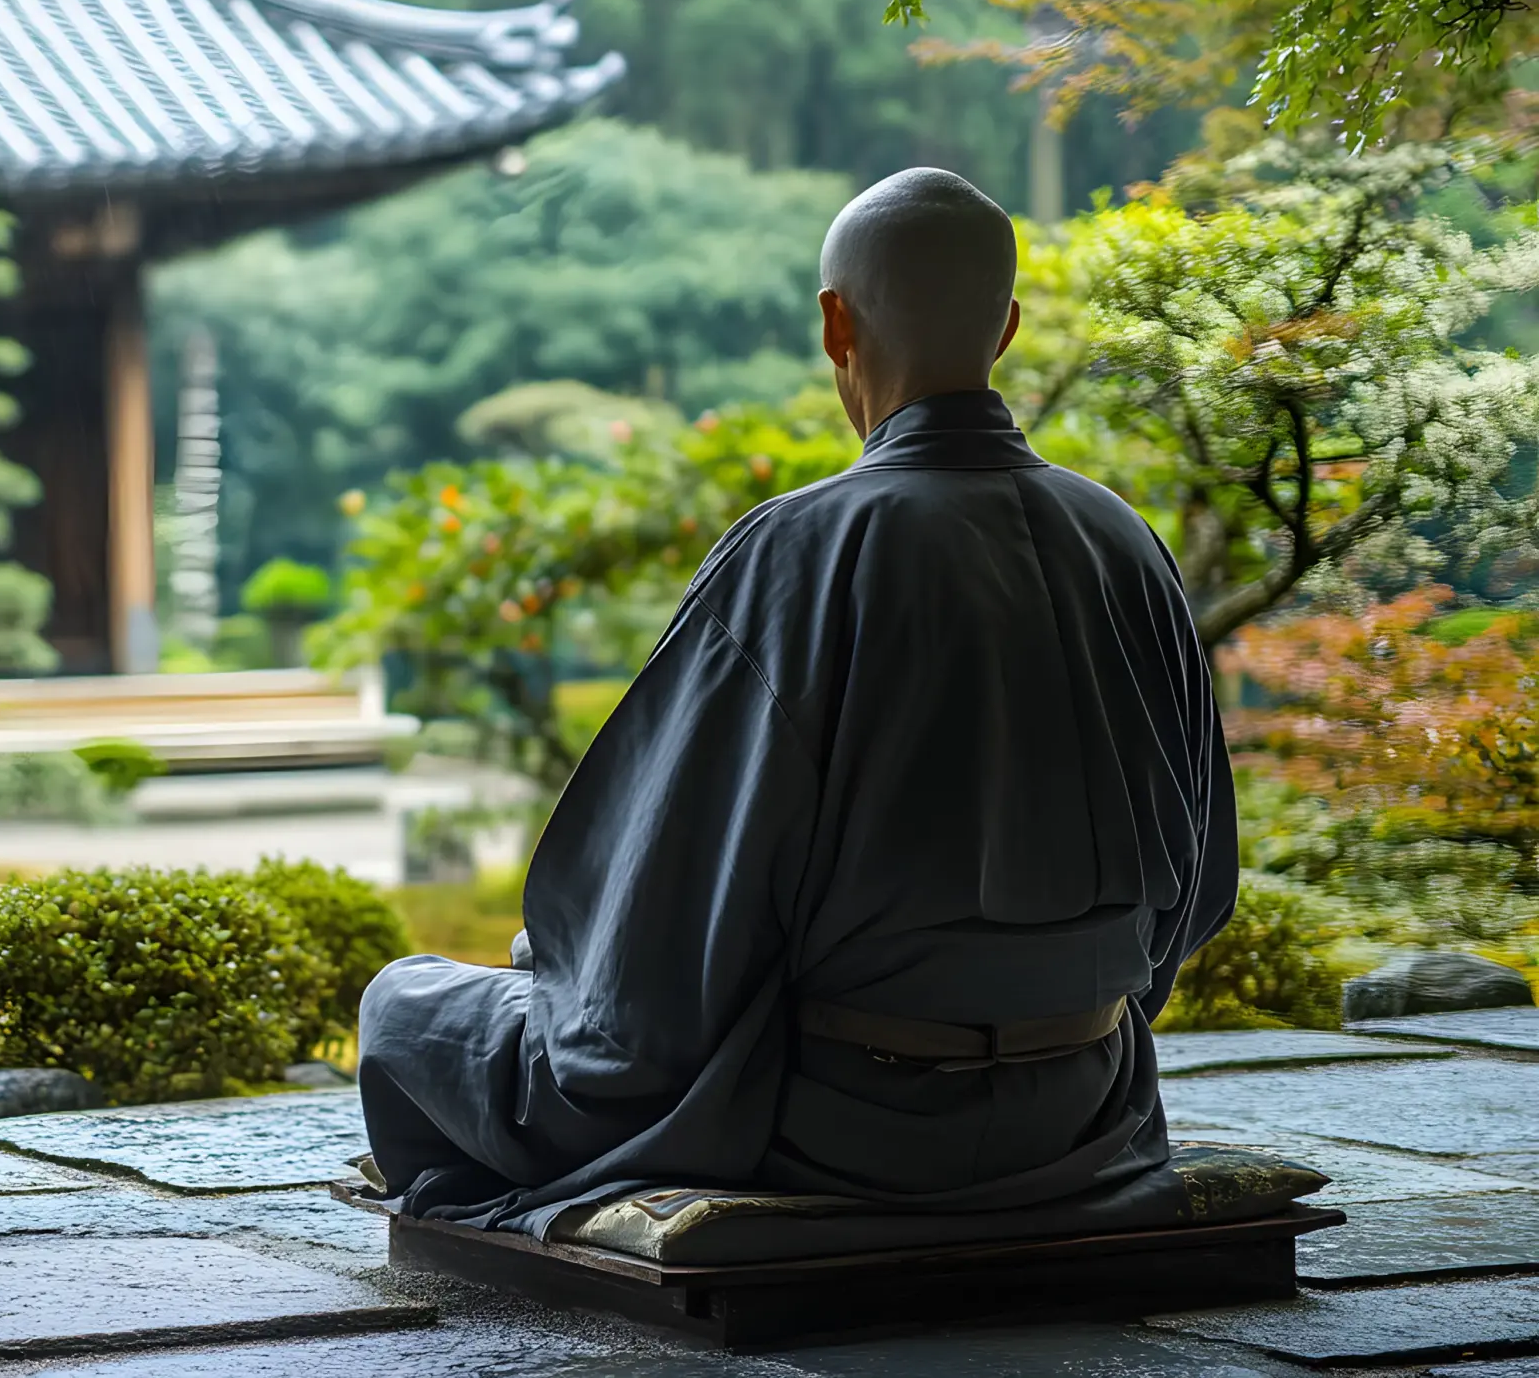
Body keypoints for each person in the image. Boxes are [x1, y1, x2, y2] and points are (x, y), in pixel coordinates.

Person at [356, 168, 1237, 1237]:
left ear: (835, 324)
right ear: (1005, 327)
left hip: (835, 1126)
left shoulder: (799, 552)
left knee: (405, 1006)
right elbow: (1196, 895)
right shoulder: (1125, 544)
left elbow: (656, 957)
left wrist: (562, 984)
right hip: (1086, 1109)